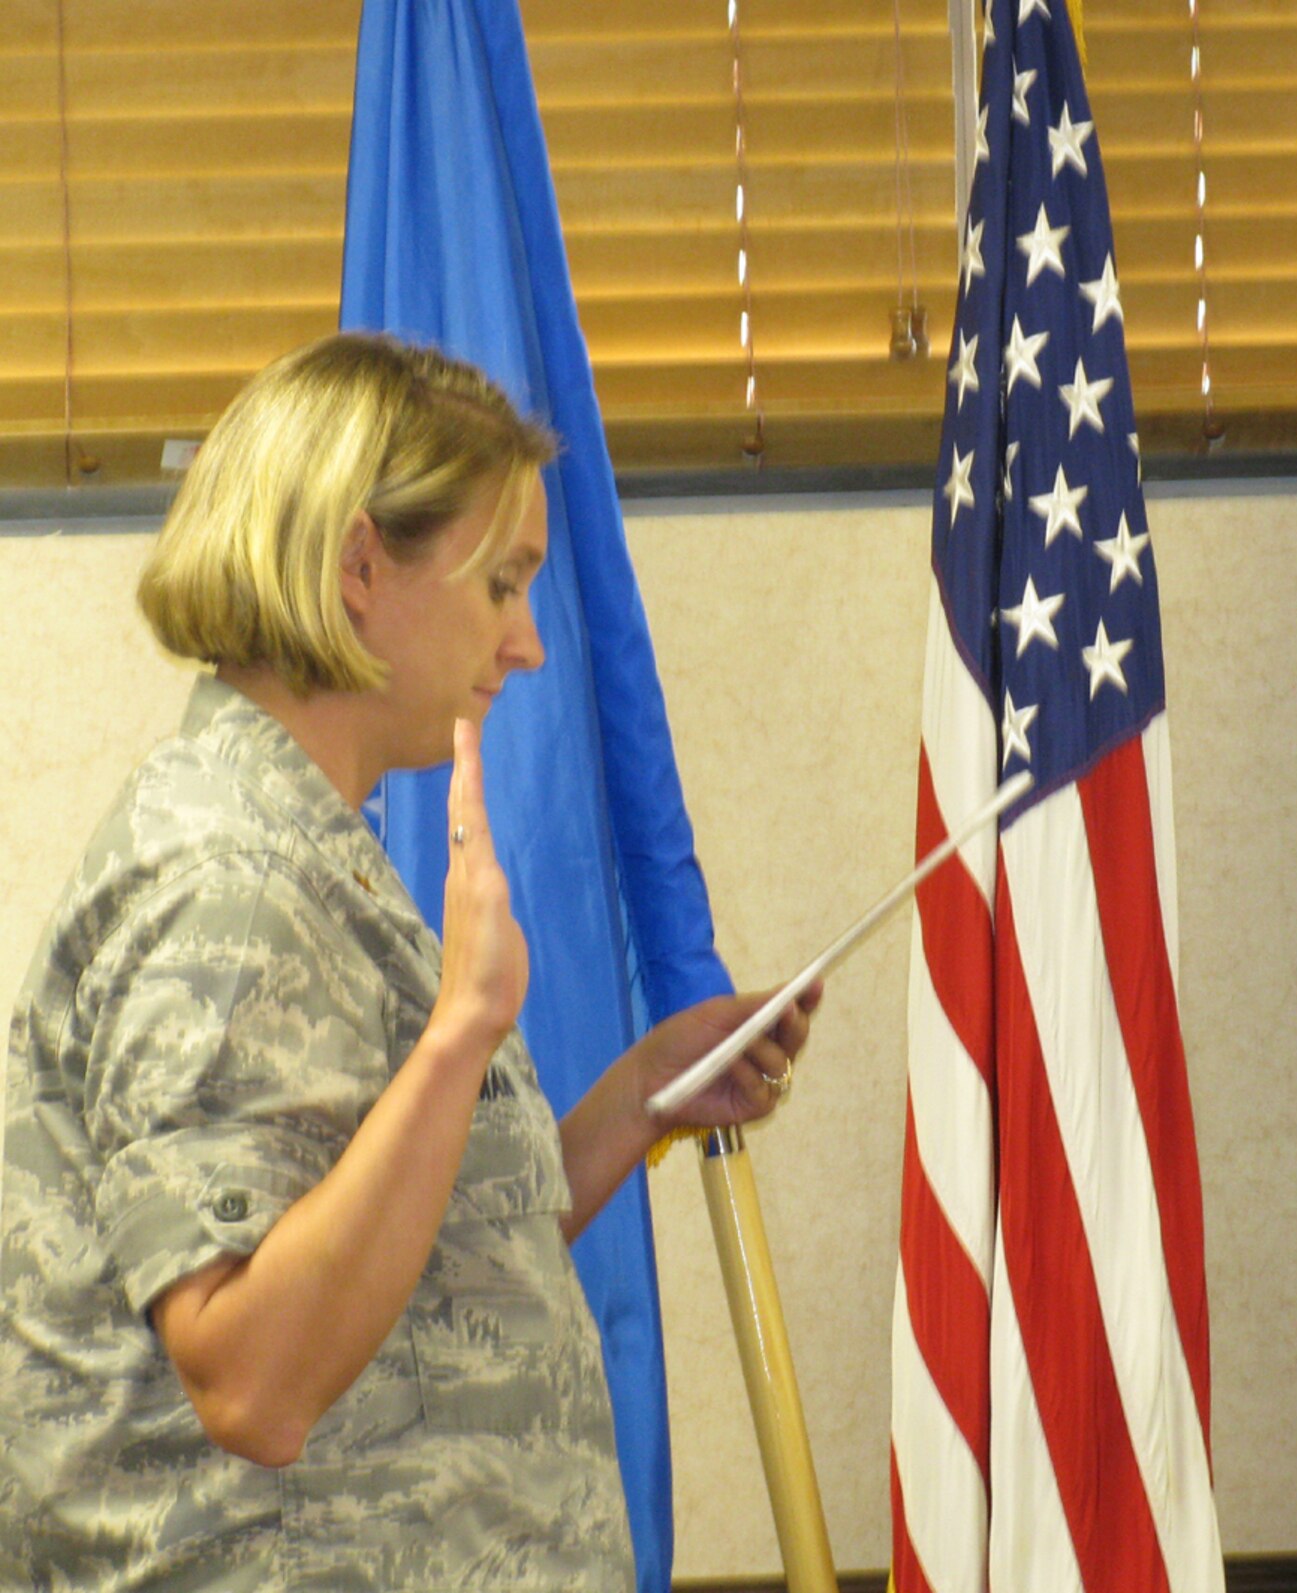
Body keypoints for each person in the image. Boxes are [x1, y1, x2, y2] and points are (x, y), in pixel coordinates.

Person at [0, 333, 815, 1590]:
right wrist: (461, 1031)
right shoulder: (232, 885)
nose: (528, 643)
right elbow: (253, 1379)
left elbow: (413, 1261)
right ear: (359, 568)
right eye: (501, 583)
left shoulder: (303, 846)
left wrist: (642, 1094)